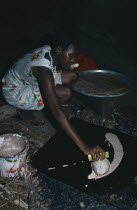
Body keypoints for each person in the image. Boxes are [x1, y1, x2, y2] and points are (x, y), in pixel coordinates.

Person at [2, 32, 105, 161]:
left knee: (72, 76)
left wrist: (65, 66)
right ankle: (23, 107)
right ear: (59, 51)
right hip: (15, 91)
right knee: (65, 93)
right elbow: (57, 112)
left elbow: (54, 69)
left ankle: (39, 101)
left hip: (26, 80)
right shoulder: (43, 70)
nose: (73, 60)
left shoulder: (49, 49)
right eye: (70, 56)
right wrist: (85, 148)